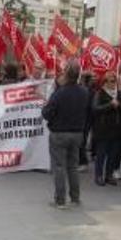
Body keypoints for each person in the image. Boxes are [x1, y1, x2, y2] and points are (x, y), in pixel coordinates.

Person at [42, 61, 88, 209]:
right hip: (77, 134)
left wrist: (45, 106)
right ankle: (75, 198)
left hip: (60, 134)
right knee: (73, 167)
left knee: (59, 167)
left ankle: (60, 200)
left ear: (66, 75)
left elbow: (47, 114)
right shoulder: (84, 92)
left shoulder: (59, 93)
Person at [91, 71, 121, 186]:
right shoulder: (100, 93)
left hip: (116, 128)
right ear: (105, 82)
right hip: (103, 128)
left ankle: (109, 175)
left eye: (115, 80)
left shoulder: (119, 93)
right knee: (101, 154)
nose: (114, 83)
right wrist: (110, 105)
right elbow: (95, 109)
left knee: (113, 154)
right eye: (111, 81)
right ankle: (99, 176)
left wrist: (120, 105)